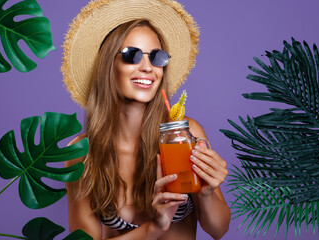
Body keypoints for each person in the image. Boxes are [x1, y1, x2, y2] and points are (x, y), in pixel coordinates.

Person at [61, 0, 230, 239]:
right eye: (132, 55)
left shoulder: (184, 134)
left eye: (156, 57)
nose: (148, 67)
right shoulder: (81, 152)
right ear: (108, 64)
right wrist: (154, 228)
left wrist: (206, 192)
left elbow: (219, 229)